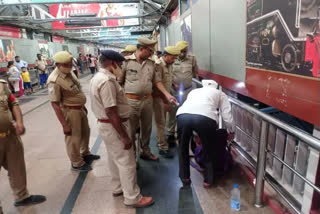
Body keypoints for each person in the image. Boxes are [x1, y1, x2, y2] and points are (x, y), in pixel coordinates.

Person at [90, 50, 154, 208]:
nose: (120, 67)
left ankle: (118, 187)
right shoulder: (107, 81)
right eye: (119, 64)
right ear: (112, 64)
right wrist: (125, 136)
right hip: (114, 125)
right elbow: (111, 111)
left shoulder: (97, 78)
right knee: (127, 161)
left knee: (114, 158)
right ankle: (132, 197)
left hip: (106, 125)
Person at [119, 37, 177, 161]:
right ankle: (132, 157)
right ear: (141, 49)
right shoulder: (126, 62)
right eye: (150, 51)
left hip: (147, 101)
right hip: (131, 101)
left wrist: (167, 95)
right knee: (131, 130)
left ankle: (145, 151)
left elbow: (157, 81)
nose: (152, 54)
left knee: (147, 129)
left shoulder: (151, 63)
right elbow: (119, 82)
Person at [47, 51, 100, 172]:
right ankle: (76, 163)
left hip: (80, 109)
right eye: (66, 64)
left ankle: (85, 154)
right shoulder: (54, 80)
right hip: (70, 112)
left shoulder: (69, 72)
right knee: (73, 138)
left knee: (85, 132)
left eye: (70, 63)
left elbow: (76, 90)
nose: (69, 66)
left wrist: (83, 106)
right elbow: (55, 104)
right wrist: (64, 125)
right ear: (58, 64)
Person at [176, 79, 235, 187]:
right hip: (206, 118)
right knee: (209, 148)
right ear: (216, 86)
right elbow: (227, 115)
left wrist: (196, 134)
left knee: (183, 147)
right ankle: (208, 180)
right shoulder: (220, 94)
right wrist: (231, 131)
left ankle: (185, 177)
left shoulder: (194, 91)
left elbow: (192, 110)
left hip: (182, 115)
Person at [0, 78, 46, 213]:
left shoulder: (2, 85)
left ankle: (22, 197)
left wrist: (19, 122)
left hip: (10, 137)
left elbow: (13, 103)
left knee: (17, 169)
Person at [166, 40, 199, 147]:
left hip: (188, 90)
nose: (182, 54)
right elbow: (168, 74)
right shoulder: (172, 58)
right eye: (180, 51)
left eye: (184, 51)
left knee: (187, 113)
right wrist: (172, 84)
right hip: (174, 91)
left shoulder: (192, 59)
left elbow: (194, 73)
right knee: (173, 112)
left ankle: (186, 134)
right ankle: (170, 134)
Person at [153, 46, 180, 158]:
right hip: (159, 96)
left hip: (167, 95)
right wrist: (165, 98)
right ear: (165, 56)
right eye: (172, 58)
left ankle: (168, 136)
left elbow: (168, 77)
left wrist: (173, 84)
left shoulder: (169, 64)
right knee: (161, 122)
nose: (174, 60)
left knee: (172, 112)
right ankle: (162, 146)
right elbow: (157, 82)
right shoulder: (158, 65)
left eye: (175, 58)